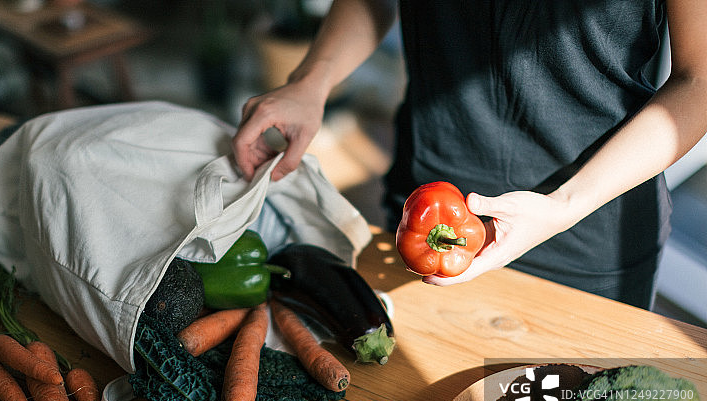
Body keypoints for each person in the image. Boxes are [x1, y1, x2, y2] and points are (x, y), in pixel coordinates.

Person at [232, 0, 707, 309]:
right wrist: (311, 83)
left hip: (591, 225)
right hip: (424, 211)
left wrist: (563, 207)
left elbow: (699, 83)